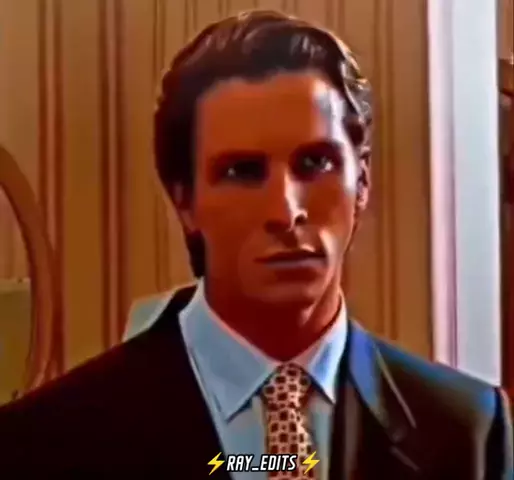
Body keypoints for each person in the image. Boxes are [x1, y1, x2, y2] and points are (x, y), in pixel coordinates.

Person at [0, 10, 511, 479]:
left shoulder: (468, 433)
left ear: (362, 182)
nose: (285, 212)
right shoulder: (44, 441)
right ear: (184, 200)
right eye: (242, 172)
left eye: (315, 163)